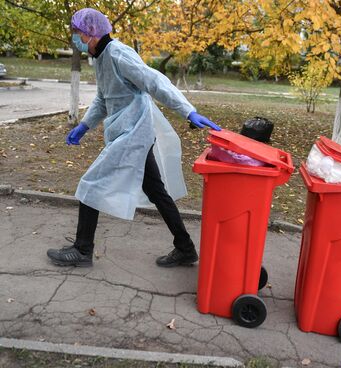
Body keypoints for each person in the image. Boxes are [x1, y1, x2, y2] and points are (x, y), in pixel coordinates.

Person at [47, 8, 220, 268]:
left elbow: (154, 81)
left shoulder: (118, 53)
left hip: (134, 133)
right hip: (129, 132)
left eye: (77, 34)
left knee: (91, 184)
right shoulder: (101, 57)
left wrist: (187, 111)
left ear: (91, 33)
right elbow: (104, 98)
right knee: (156, 191)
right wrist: (84, 125)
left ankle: (82, 251)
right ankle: (185, 248)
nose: (75, 39)